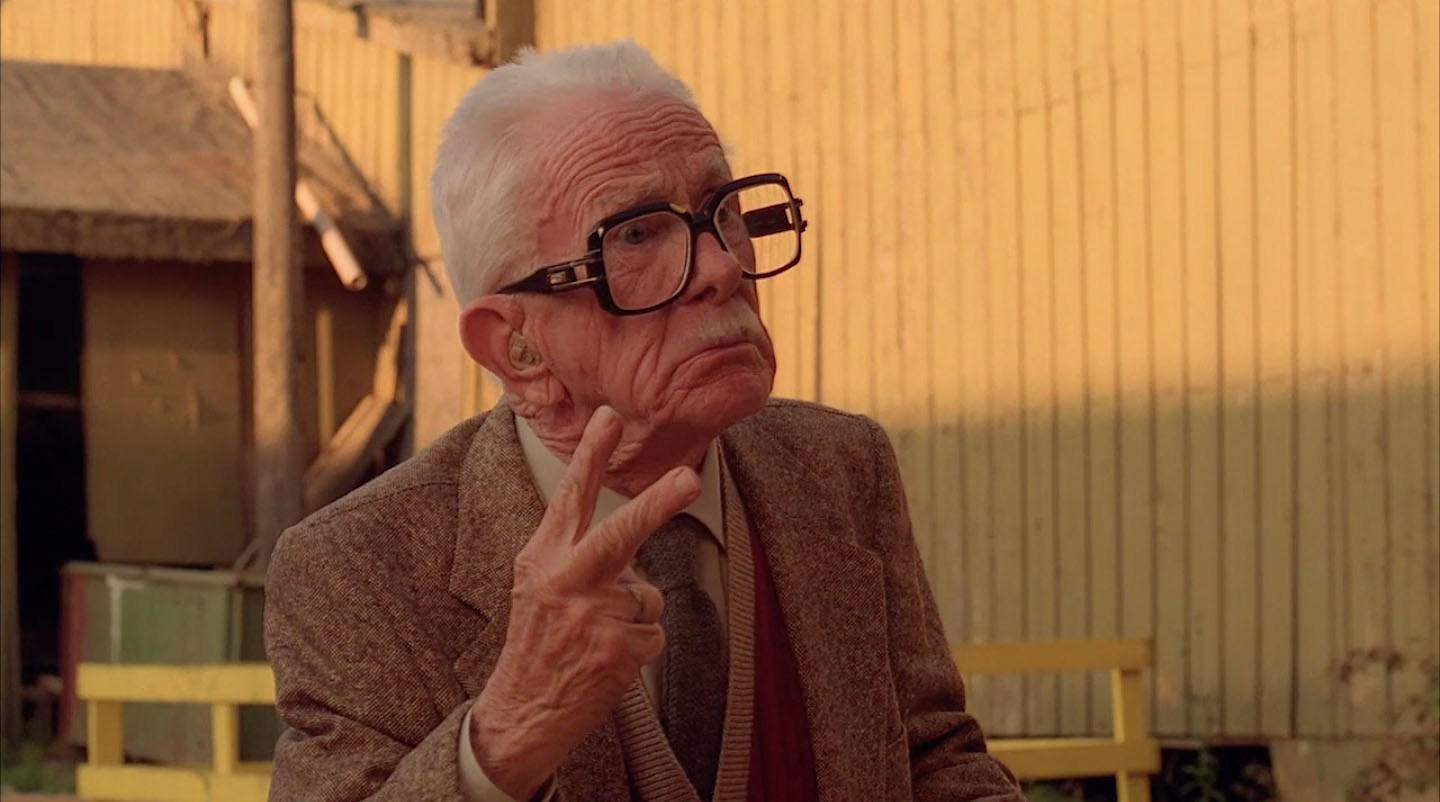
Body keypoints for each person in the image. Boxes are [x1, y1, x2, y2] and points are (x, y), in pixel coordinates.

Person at [264, 40, 1023, 802]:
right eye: (635, 235)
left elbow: (937, 763)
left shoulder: (840, 468)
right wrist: (502, 740)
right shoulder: (358, 571)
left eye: (723, 212)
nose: (722, 267)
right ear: (516, 346)